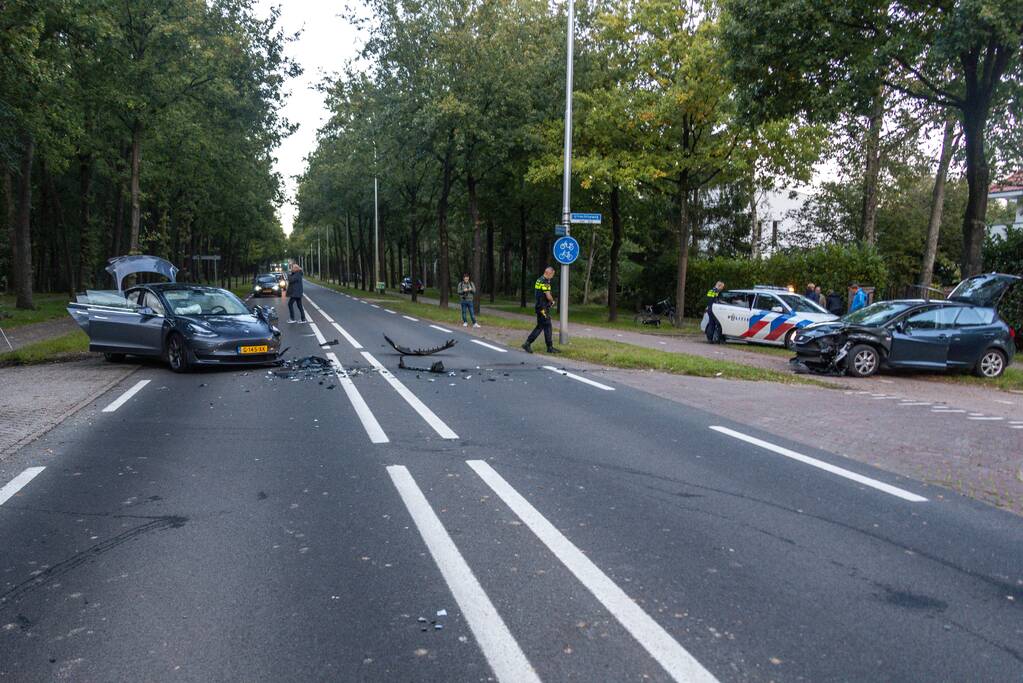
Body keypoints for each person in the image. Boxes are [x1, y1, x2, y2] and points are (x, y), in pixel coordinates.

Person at [521, 266, 560, 354]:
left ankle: (549, 347)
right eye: (552, 275)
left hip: (539, 306)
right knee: (543, 326)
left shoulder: (539, 280)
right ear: (549, 273)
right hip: (543, 308)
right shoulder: (545, 282)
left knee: (545, 326)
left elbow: (539, 294)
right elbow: (548, 295)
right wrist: (552, 301)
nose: (552, 277)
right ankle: (528, 343)